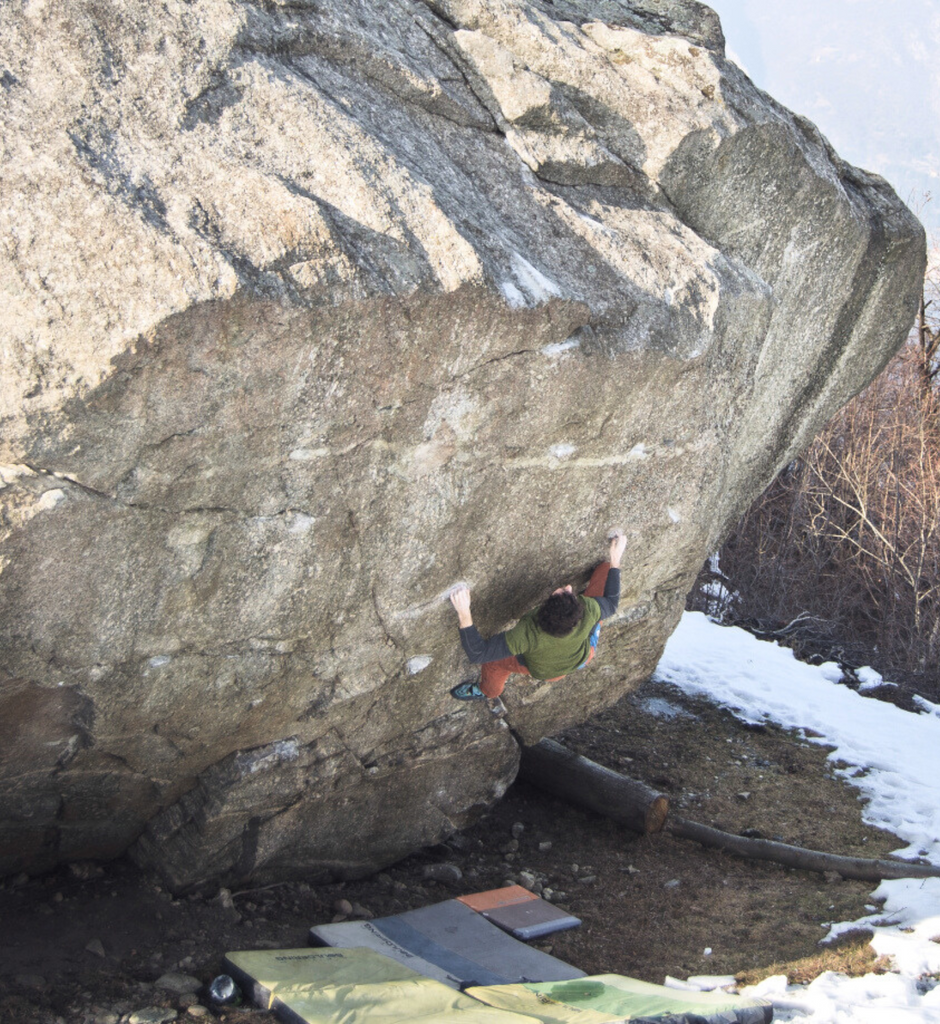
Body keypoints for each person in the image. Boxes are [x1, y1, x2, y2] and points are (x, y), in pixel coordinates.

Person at [449, 530, 627, 713]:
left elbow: (479, 654)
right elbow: (612, 604)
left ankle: (488, 691)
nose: (568, 586)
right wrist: (615, 559)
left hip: (548, 671)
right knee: (607, 570)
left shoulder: (527, 635)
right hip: (582, 656)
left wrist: (464, 612)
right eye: (568, 592)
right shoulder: (589, 611)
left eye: (563, 592)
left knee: (494, 662)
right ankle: (608, 574)